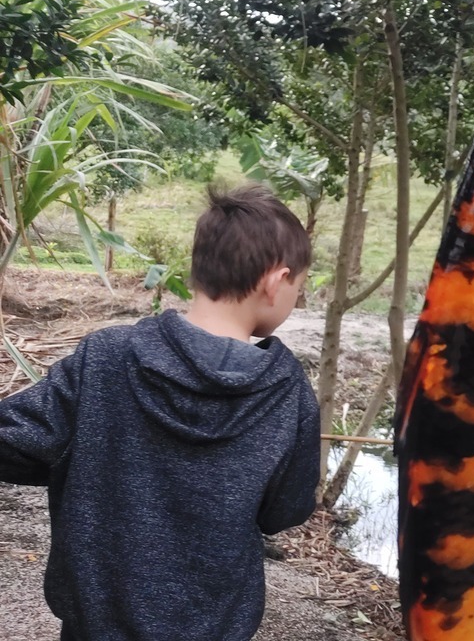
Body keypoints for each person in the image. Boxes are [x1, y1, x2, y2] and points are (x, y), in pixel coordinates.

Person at [0, 183, 321, 641]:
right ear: (275, 280)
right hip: (215, 628)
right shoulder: (287, 392)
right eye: (299, 287)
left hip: (95, 625)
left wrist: (85, 451)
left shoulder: (106, 359)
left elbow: (14, 442)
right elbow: (285, 510)